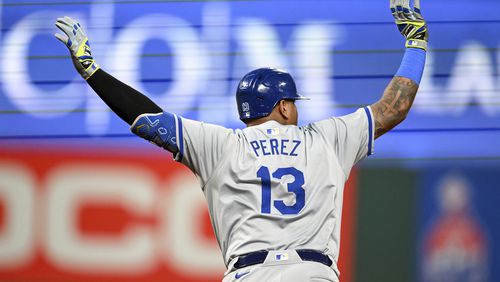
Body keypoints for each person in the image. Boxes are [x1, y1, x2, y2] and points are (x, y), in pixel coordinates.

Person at [54, 0, 428, 281]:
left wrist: (92, 71)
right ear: (283, 108)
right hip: (311, 273)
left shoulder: (221, 145)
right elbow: (392, 108)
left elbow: (147, 118)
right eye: (292, 104)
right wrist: (415, 43)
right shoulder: (326, 139)